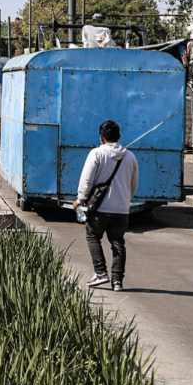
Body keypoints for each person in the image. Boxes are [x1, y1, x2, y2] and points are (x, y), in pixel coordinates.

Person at [74, 119, 138, 292]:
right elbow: (133, 184)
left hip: (100, 209)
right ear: (119, 136)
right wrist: (125, 200)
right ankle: (117, 281)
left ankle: (100, 272)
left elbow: (86, 180)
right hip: (122, 210)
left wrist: (80, 199)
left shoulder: (96, 154)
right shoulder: (130, 156)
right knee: (118, 242)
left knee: (93, 236)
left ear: (102, 137)